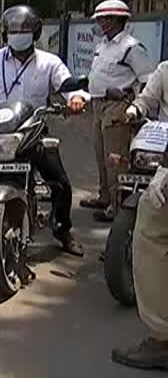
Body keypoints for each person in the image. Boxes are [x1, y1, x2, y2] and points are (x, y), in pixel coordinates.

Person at [0, 4, 88, 256]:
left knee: (60, 182)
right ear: (5, 33)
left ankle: (62, 230)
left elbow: (68, 86)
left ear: (36, 33)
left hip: (32, 131)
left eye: (24, 30)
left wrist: (75, 98)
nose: (18, 35)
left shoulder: (50, 63)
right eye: (13, 30)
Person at [112, 61, 168, 369]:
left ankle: (162, 339)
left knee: (152, 228)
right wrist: (134, 111)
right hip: (157, 144)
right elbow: (146, 99)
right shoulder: (164, 71)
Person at [80, 0, 154, 222]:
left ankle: (117, 205)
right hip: (98, 105)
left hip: (117, 107)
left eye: (105, 19)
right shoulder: (103, 45)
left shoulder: (131, 47)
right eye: (100, 19)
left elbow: (147, 81)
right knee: (100, 154)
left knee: (116, 159)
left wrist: (135, 107)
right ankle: (104, 196)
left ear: (116, 20)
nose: (101, 23)